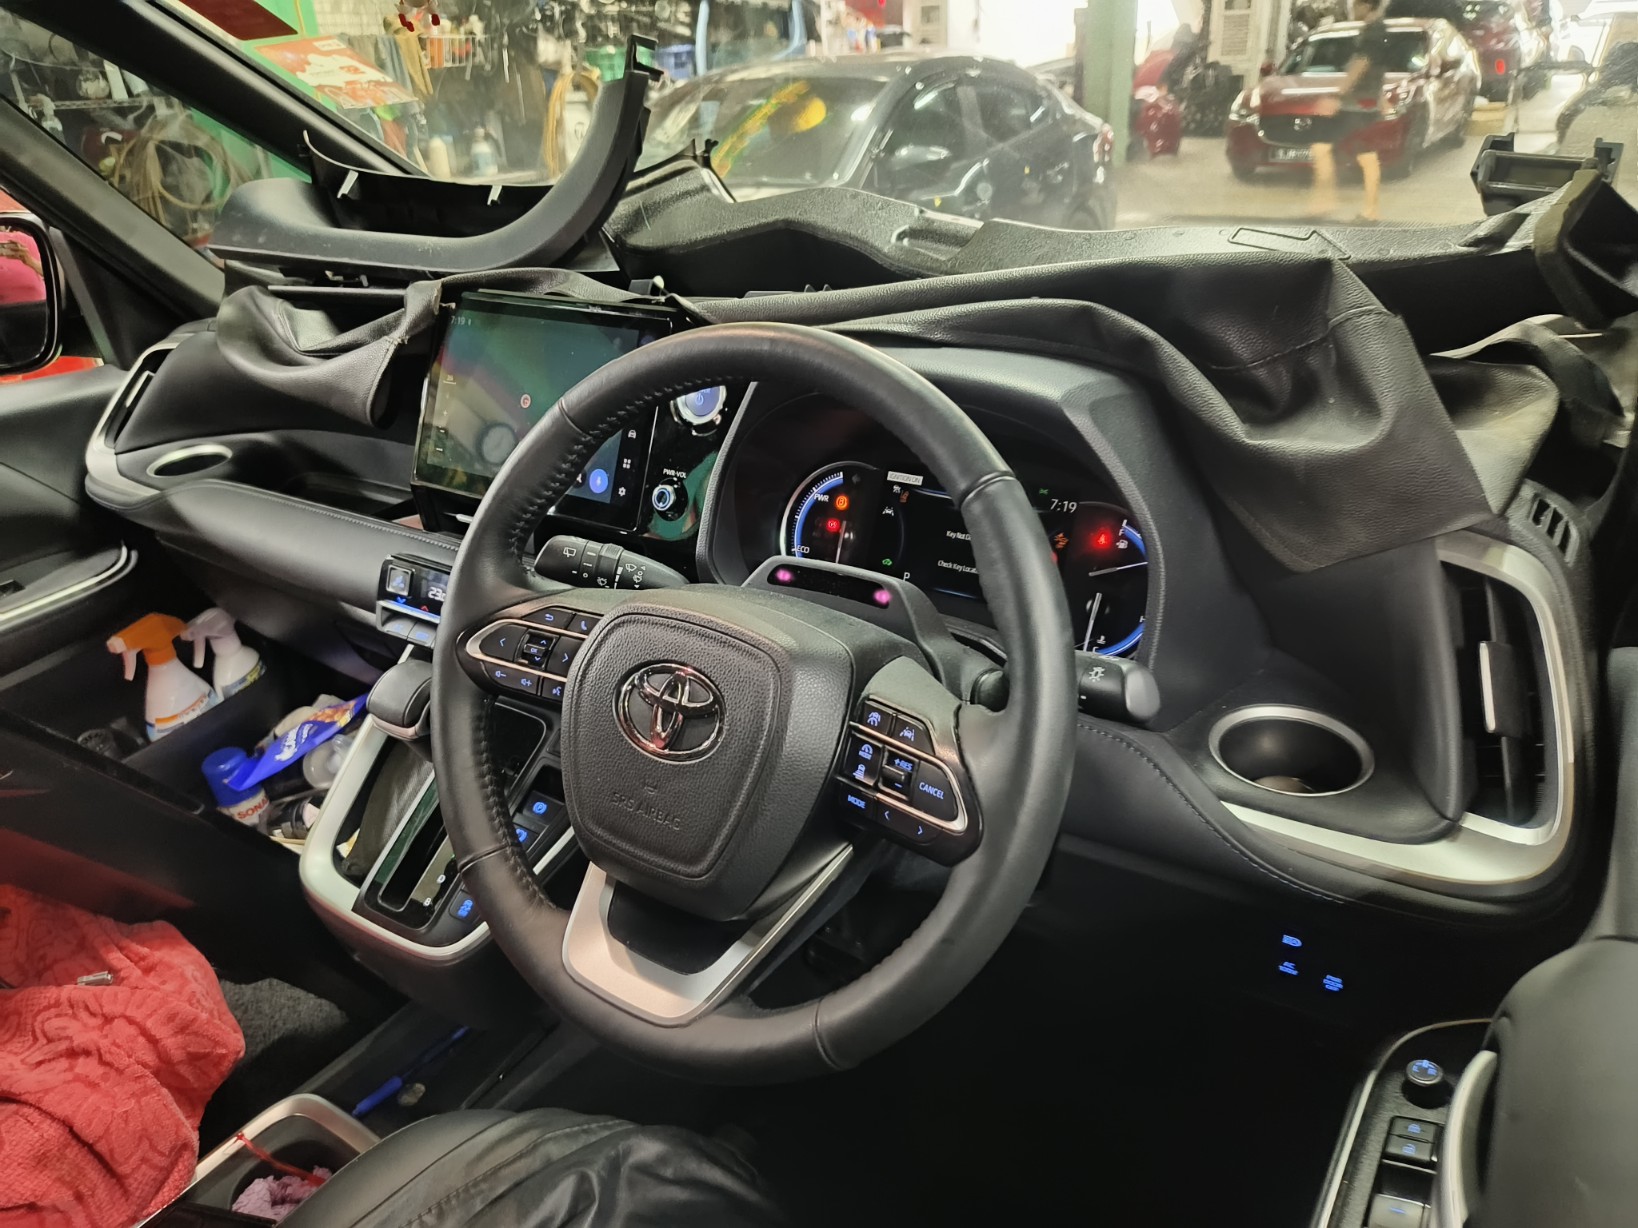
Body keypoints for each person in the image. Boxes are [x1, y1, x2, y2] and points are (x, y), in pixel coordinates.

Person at [1309, 0, 1392, 221]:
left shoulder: (1373, 32)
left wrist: (1338, 95)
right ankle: (1369, 209)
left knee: (1322, 146)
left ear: (1366, 5)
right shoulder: (1379, 30)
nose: (1352, 9)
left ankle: (1326, 201)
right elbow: (1377, 69)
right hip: (1366, 102)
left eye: (1355, 5)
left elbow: (1362, 64)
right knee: (1366, 154)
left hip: (1357, 104)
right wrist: (1381, 97)